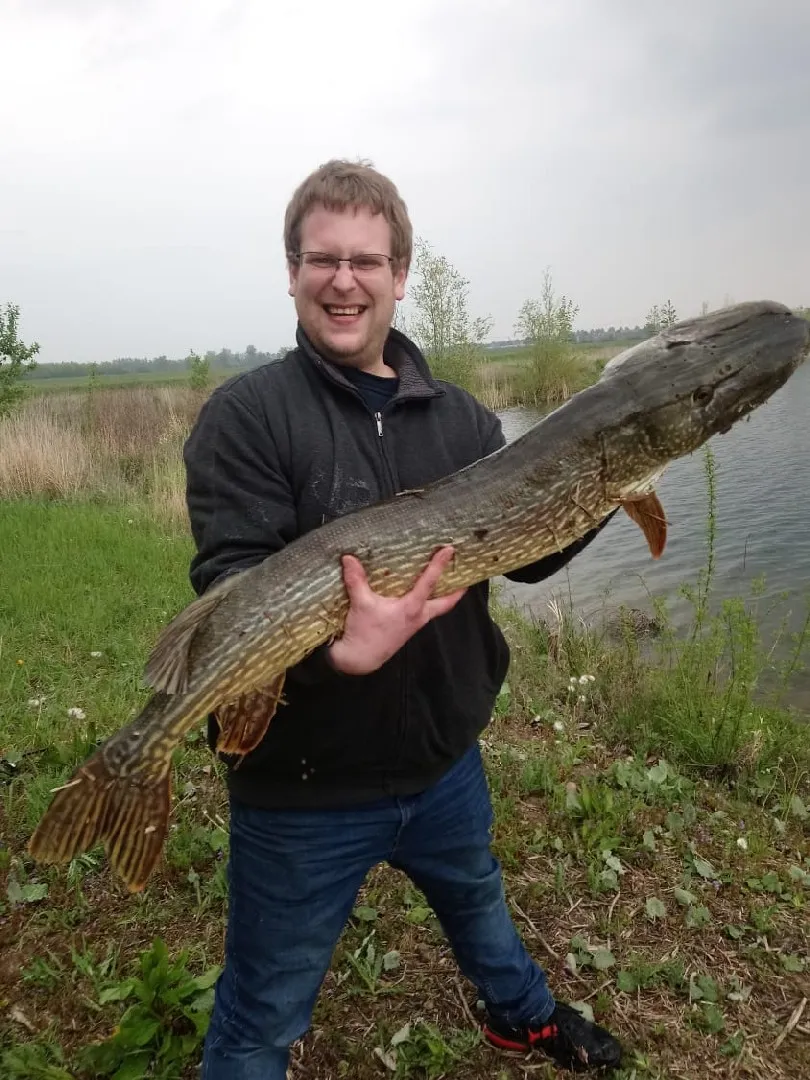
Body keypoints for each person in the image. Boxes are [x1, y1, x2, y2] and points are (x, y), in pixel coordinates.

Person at [185, 159, 623, 1078]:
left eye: (367, 261)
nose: (344, 280)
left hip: (443, 763)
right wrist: (337, 657)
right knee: (262, 1014)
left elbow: (532, 550)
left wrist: (613, 480)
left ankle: (519, 1014)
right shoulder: (247, 417)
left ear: (400, 273)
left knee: (479, 902)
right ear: (294, 271)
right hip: (301, 789)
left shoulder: (463, 420)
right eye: (323, 259)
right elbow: (232, 586)